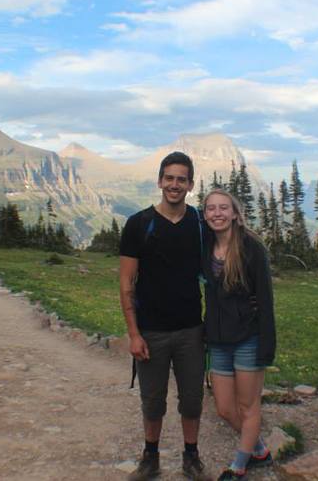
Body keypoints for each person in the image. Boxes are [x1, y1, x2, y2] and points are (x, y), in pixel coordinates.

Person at [118, 151, 209, 481]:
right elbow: (127, 282)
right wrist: (134, 333)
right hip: (151, 330)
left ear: (190, 184)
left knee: (193, 400)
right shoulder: (138, 224)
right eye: (169, 178)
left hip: (191, 330)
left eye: (181, 179)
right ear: (159, 181)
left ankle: (191, 456)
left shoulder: (200, 223)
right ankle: (150, 457)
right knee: (152, 401)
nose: (174, 184)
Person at [202, 189, 276, 481]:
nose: (217, 213)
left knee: (248, 407)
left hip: (249, 338)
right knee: (224, 409)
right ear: (204, 214)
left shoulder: (251, 248)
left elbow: (266, 300)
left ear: (235, 213)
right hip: (218, 340)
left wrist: (267, 346)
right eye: (210, 209)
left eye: (223, 208)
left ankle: (239, 466)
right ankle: (259, 450)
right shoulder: (205, 246)